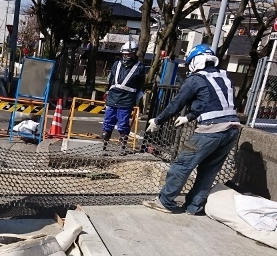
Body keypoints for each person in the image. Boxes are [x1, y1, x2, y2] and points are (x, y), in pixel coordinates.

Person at [142, 44, 241, 215]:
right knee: (208, 170)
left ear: (195, 61)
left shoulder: (195, 79)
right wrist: (189, 116)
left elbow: (176, 103)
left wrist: (158, 120)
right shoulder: (225, 76)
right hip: (232, 131)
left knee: (181, 165)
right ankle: (194, 207)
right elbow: (211, 101)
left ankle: (165, 202)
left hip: (210, 132)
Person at [102, 41, 145, 154]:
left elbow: (141, 84)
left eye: (129, 54)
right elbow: (111, 80)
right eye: (124, 54)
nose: (126, 56)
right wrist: (107, 92)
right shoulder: (117, 64)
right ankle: (104, 145)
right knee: (108, 121)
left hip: (127, 99)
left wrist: (138, 98)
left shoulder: (139, 67)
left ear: (134, 54)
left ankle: (122, 147)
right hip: (112, 97)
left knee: (123, 123)